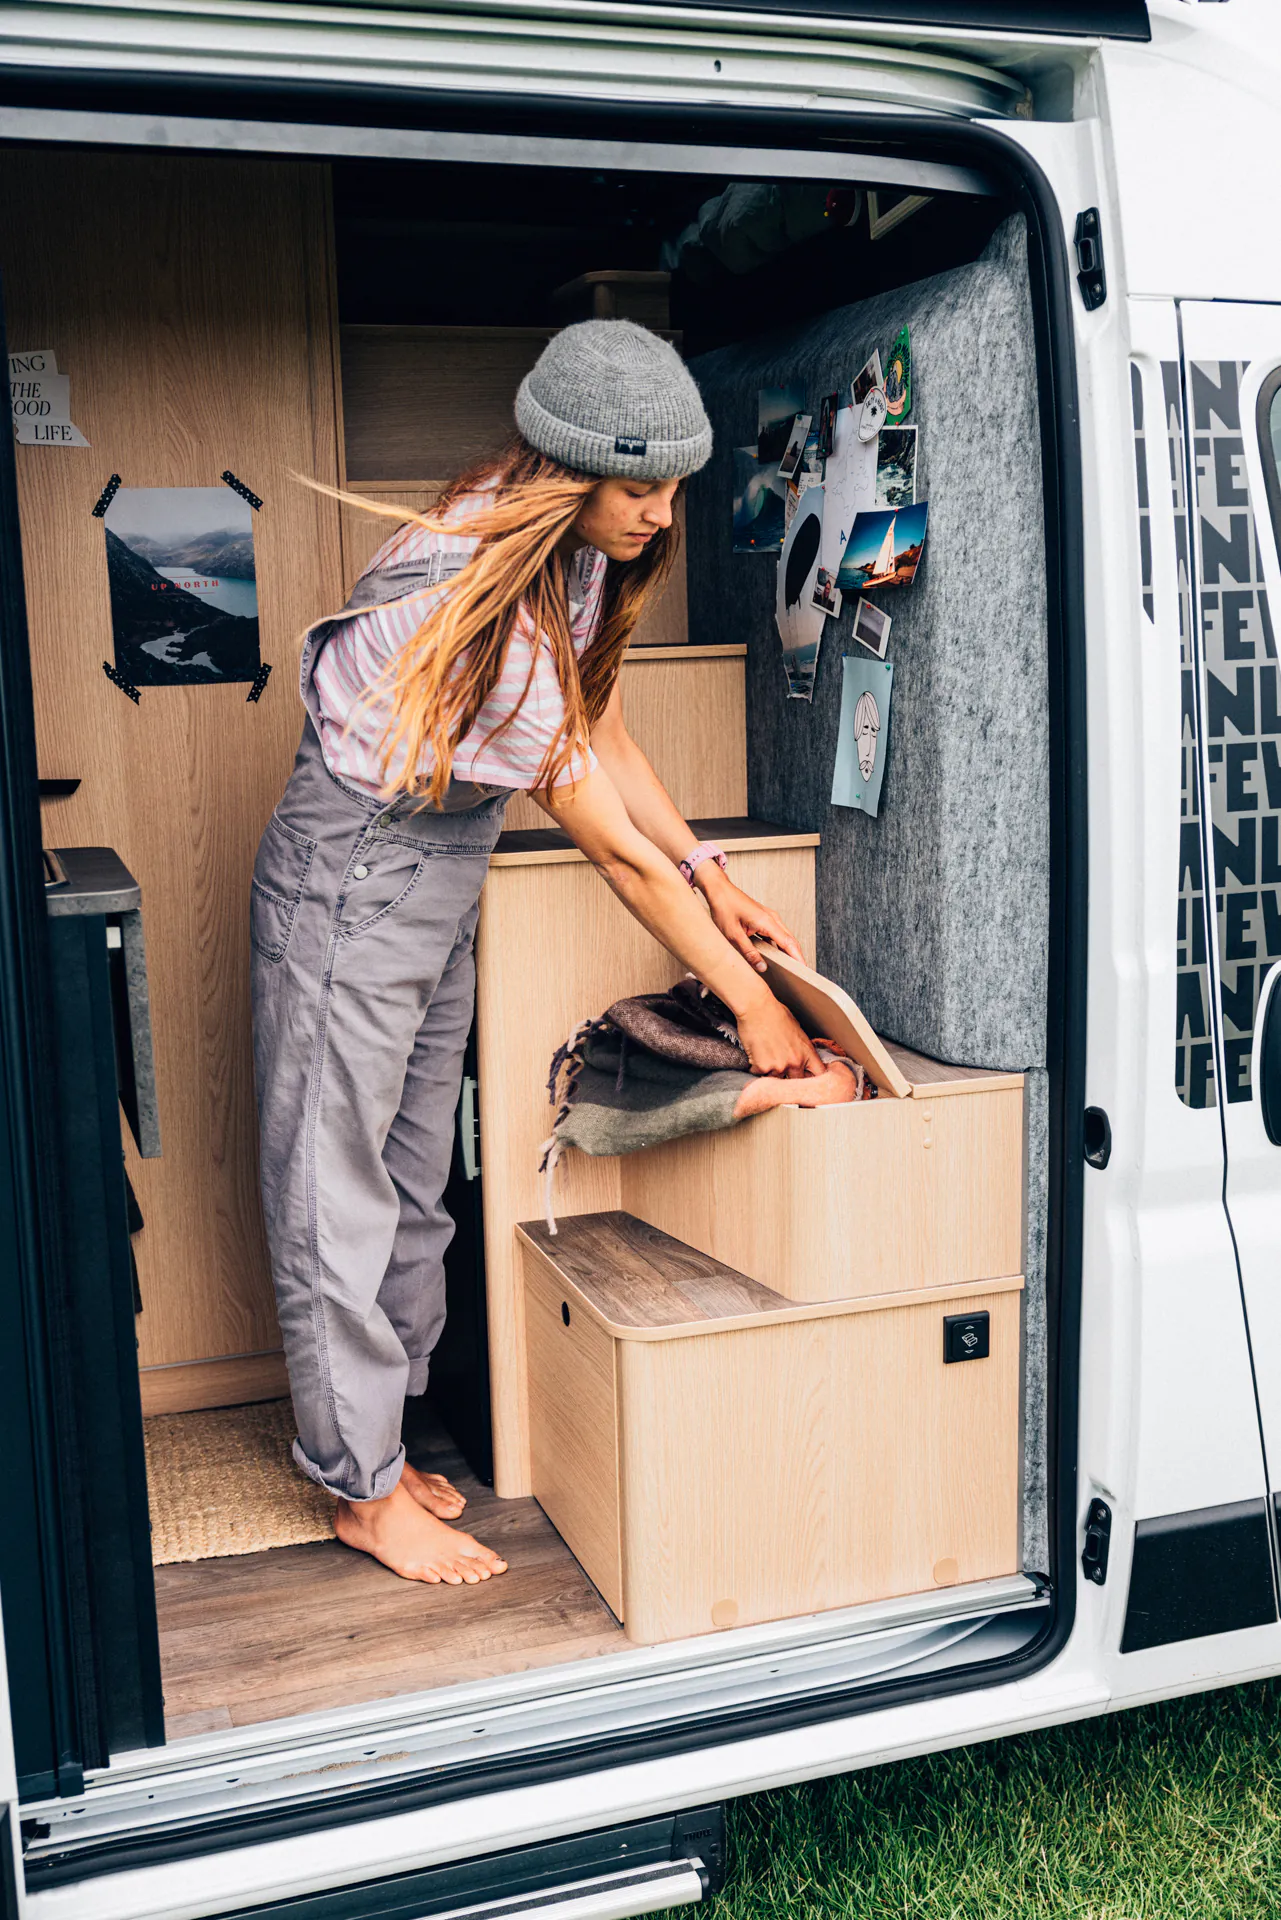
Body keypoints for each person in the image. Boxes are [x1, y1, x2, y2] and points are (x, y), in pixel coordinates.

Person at [251, 321, 824, 1587]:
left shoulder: (562, 553)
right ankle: (358, 1489)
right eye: (640, 489)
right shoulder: (490, 607)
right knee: (333, 1188)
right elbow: (611, 851)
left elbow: (599, 725)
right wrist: (752, 1005)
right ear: (568, 468)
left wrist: (713, 871)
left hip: (432, 876)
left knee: (413, 1174)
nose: (663, 516)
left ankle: (382, 1450)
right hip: (353, 879)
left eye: (674, 487)